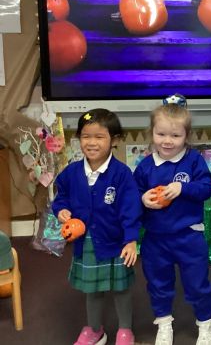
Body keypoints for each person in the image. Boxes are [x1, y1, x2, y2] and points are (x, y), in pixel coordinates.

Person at [52, 109, 142, 345]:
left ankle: (125, 330)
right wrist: (60, 209)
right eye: (85, 136)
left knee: (121, 289)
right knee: (92, 289)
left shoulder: (122, 174)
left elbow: (131, 209)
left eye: (99, 137)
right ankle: (94, 330)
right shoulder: (72, 172)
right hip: (87, 243)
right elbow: (61, 196)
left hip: (116, 241)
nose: (91, 142)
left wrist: (131, 239)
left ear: (114, 139)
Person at [133, 94, 211, 345]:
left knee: (197, 284)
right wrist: (142, 198)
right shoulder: (145, 166)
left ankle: (205, 323)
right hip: (156, 239)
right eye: (161, 134)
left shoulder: (194, 161)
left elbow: (207, 188)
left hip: (189, 236)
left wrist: (183, 188)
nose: (167, 141)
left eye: (175, 135)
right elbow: (132, 195)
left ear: (186, 136)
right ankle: (164, 322)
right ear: (152, 133)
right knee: (158, 283)